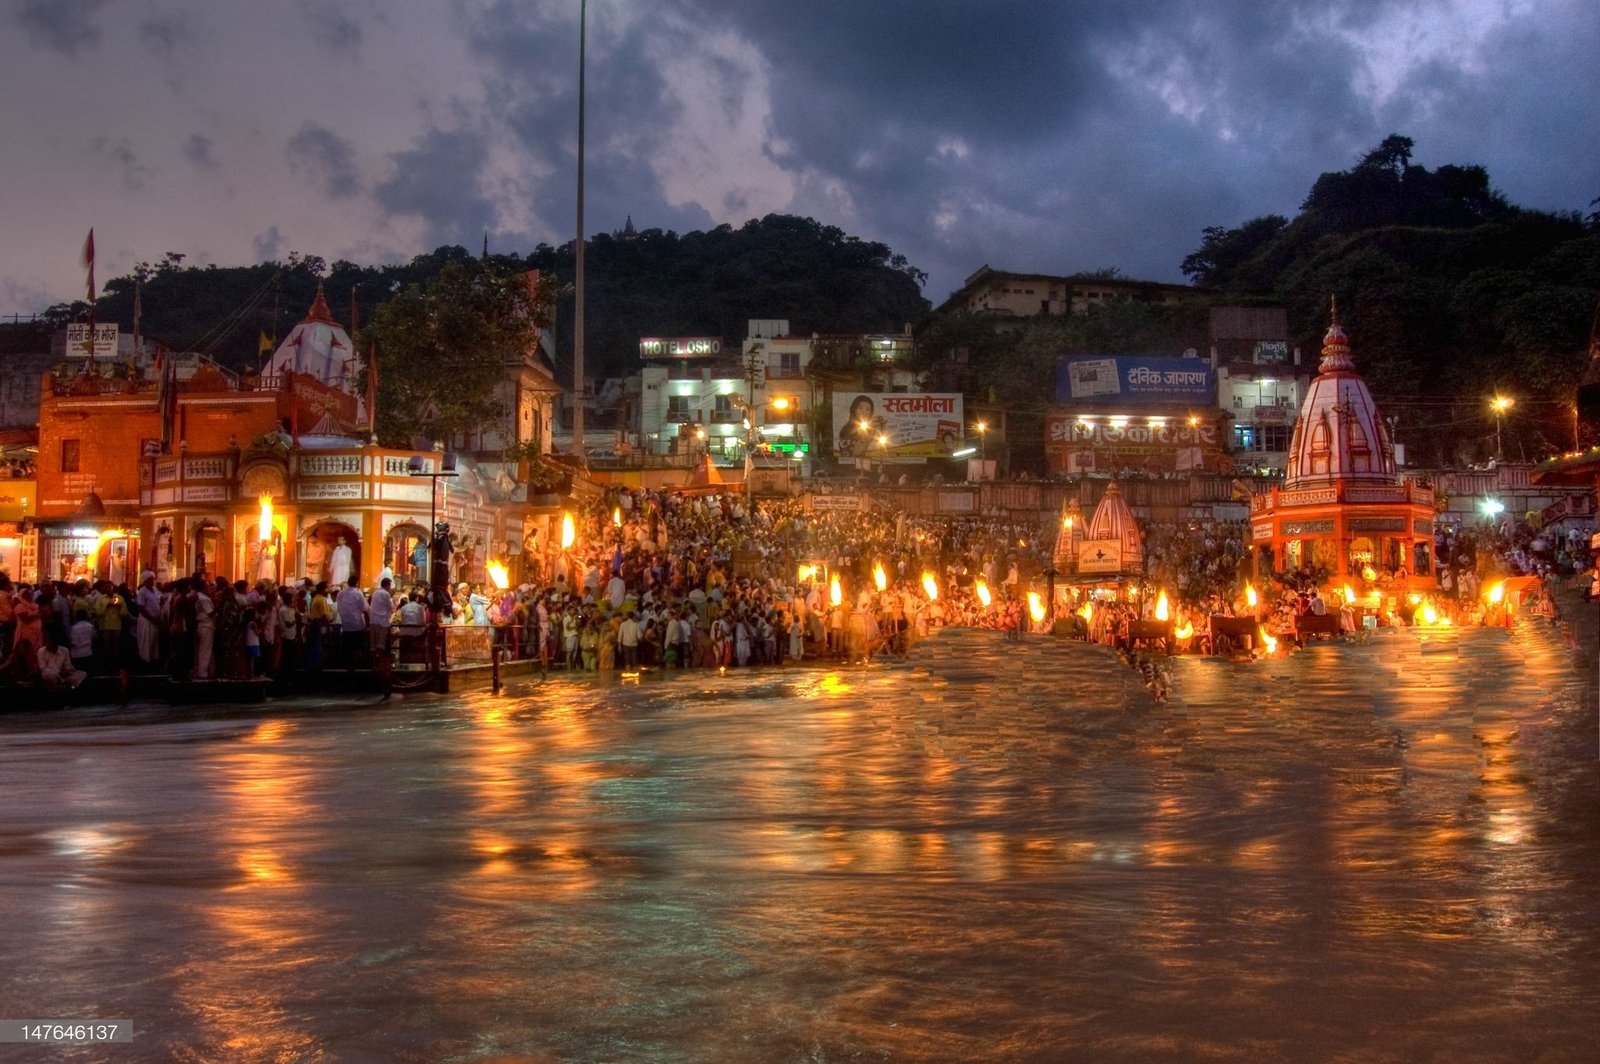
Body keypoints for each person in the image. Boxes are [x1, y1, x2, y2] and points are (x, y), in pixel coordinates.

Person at [335, 576, 368, 667]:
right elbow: (364, 609)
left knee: (347, 649)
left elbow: (339, 607)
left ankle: (348, 667)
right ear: (357, 582)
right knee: (358, 648)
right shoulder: (358, 594)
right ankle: (357, 666)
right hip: (357, 625)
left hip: (345, 625)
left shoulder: (340, 594)